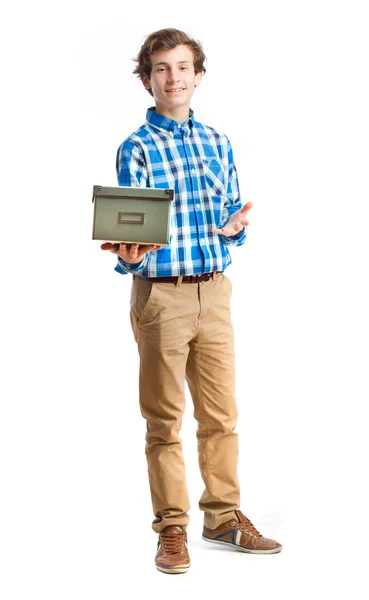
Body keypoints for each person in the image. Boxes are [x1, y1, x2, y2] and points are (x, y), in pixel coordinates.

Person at [101, 28, 282, 574]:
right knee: (163, 420)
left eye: (183, 67)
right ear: (147, 79)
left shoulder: (219, 142)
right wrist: (130, 257)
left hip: (215, 292)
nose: (174, 77)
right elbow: (133, 231)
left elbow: (230, 220)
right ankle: (172, 528)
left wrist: (232, 229)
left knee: (221, 417)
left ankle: (223, 517)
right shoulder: (136, 147)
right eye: (162, 68)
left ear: (198, 75)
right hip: (160, 296)